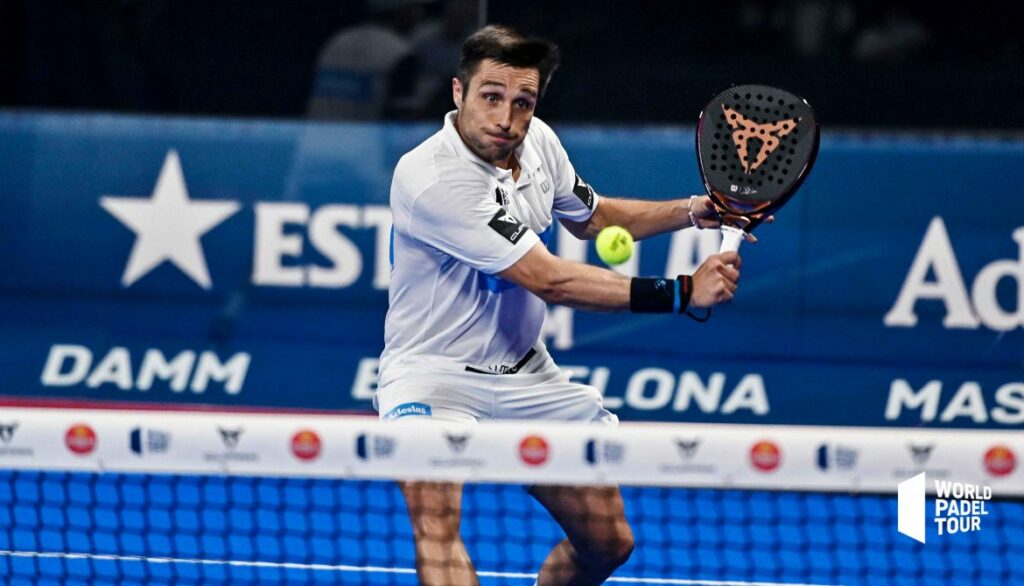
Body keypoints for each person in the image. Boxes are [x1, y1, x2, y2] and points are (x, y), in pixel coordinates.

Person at [376, 25, 748, 586]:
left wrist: (695, 210)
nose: (505, 117)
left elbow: (594, 218)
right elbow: (549, 280)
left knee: (608, 544)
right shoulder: (432, 178)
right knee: (436, 523)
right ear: (458, 93)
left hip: (529, 376)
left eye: (522, 102)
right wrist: (682, 292)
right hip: (433, 380)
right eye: (491, 97)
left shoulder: (538, 142)